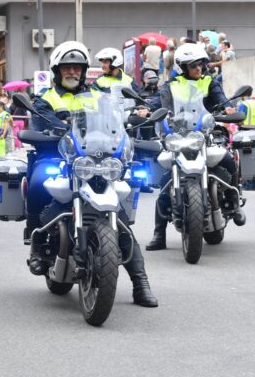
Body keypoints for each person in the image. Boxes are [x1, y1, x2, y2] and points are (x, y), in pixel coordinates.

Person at [23, 41, 156, 307]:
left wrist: (130, 126)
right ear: (57, 70)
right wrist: (53, 129)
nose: (73, 72)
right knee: (38, 180)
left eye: (77, 67)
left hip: (94, 159)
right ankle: (37, 243)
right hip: (55, 155)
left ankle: (141, 284)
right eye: (67, 67)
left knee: (119, 218)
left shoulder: (98, 96)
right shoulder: (46, 98)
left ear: (84, 71)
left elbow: (113, 123)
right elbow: (39, 123)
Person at [145, 43, 239, 252]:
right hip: (178, 135)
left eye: (201, 64)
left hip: (203, 133)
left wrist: (227, 107)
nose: (199, 68)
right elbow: (159, 101)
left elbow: (220, 98)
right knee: (165, 183)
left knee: (227, 160)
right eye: (193, 65)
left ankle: (234, 197)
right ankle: (159, 234)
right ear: (182, 67)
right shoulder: (171, 84)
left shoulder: (209, 81)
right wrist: (145, 108)